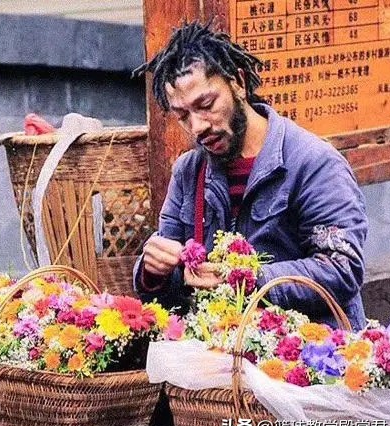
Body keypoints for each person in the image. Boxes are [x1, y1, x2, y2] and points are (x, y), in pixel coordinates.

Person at [132, 21, 368, 330]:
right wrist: (153, 272)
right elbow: (171, 292)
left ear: (239, 83)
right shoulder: (189, 172)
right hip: (221, 355)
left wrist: (248, 279)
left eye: (206, 105)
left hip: (312, 358)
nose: (198, 126)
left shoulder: (314, 163)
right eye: (183, 116)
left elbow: (341, 269)